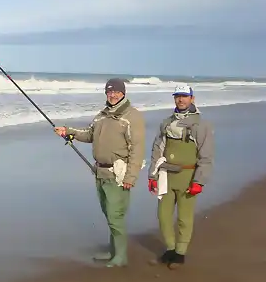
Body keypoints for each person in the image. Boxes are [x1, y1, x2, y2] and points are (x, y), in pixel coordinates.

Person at [54, 78, 145, 267]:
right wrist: (68, 131)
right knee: (108, 214)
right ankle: (113, 252)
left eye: (116, 92)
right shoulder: (101, 115)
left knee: (115, 215)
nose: (112, 95)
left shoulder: (131, 116)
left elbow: (137, 149)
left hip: (118, 174)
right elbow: (89, 134)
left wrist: (131, 177)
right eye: (109, 92)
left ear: (123, 93)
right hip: (100, 172)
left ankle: (120, 256)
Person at [147, 84, 214, 269]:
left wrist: (199, 181)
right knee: (163, 215)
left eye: (184, 96)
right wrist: (152, 175)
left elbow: (206, 156)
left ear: (192, 98)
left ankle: (180, 253)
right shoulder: (166, 123)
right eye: (177, 96)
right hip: (166, 175)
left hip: (188, 176)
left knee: (185, 217)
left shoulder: (201, 125)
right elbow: (157, 150)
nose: (181, 100)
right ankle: (170, 248)